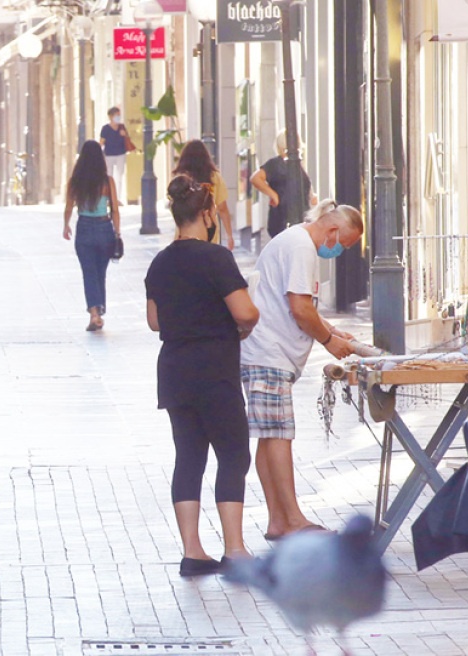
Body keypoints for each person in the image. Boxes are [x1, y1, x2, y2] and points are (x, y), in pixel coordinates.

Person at [144, 175, 259, 577]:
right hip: (214, 370)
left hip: (175, 371)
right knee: (233, 454)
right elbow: (245, 312)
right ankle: (235, 549)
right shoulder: (216, 258)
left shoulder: (160, 262)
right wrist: (245, 322)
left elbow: (154, 321)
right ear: (208, 214)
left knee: (189, 457)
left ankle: (192, 551)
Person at [240, 200, 363, 540]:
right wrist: (329, 341)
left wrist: (333, 331)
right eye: (343, 245)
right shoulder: (301, 247)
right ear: (332, 230)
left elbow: (304, 305)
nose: (339, 251)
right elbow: (299, 308)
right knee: (279, 435)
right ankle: (293, 519)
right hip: (269, 353)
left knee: (270, 436)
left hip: (267, 353)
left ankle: (278, 521)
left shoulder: (295, 241)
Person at [63, 140, 122, 332]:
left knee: (88, 272)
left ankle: (95, 313)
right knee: (100, 272)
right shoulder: (107, 181)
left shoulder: (75, 181)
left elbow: (69, 207)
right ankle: (98, 310)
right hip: (105, 229)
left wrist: (66, 225)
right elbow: (115, 209)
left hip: (84, 228)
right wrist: (117, 232)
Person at [250, 130, 317, 239]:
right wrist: (273, 195)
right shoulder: (276, 163)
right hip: (283, 219)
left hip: (301, 217)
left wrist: (312, 196)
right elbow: (255, 178)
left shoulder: (298, 163)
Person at [175, 139, 235, 250]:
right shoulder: (215, 177)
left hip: (184, 229)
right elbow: (222, 208)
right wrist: (229, 235)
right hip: (209, 228)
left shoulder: (181, 178)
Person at [100, 106, 134, 194]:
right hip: (109, 155)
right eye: (117, 115)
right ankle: (110, 194)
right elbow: (102, 142)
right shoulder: (105, 128)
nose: (118, 117)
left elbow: (127, 139)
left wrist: (125, 135)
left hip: (120, 154)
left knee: (120, 176)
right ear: (111, 116)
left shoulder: (121, 127)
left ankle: (118, 195)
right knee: (109, 175)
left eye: (119, 115)